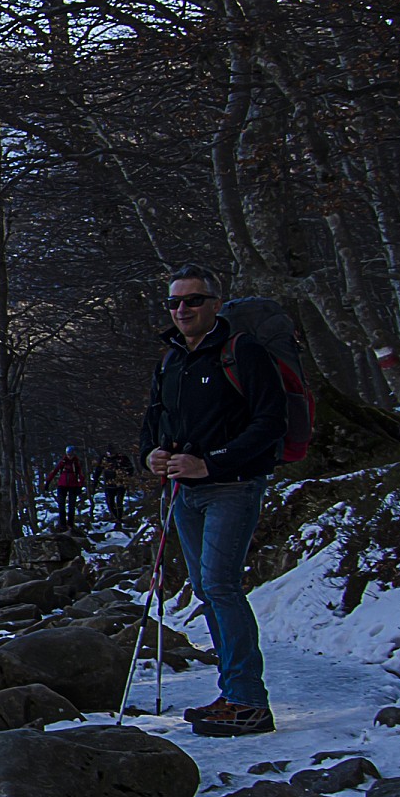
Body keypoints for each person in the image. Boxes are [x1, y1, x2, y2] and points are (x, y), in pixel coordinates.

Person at [140, 263, 289, 736]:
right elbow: (153, 421)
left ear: (215, 304)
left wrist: (213, 462)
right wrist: (152, 455)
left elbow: (270, 422)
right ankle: (233, 693)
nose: (182, 309)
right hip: (187, 491)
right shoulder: (170, 361)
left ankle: (248, 700)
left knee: (221, 587)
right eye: (174, 302)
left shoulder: (242, 352)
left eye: (193, 300)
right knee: (207, 590)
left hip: (233, 485)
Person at [45, 449, 87, 532]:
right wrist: (48, 482)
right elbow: (54, 471)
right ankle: (63, 524)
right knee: (61, 505)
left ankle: (70, 524)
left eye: (71, 454)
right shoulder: (63, 462)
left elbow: (81, 475)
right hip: (62, 485)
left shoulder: (76, 463)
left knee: (71, 505)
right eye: (68, 454)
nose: (69, 456)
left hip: (73, 486)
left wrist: (80, 486)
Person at [97, 449, 130, 525]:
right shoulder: (104, 458)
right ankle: (116, 516)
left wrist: (127, 478)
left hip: (120, 483)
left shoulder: (122, 458)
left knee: (119, 501)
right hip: (109, 484)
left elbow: (129, 468)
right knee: (110, 502)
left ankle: (119, 517)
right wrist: (95, 481)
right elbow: (98, 469)